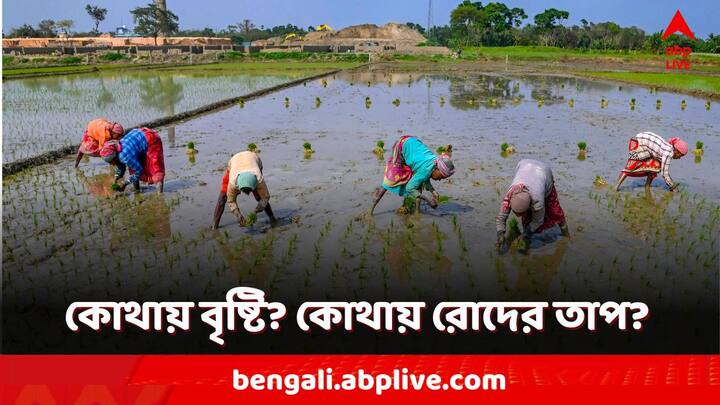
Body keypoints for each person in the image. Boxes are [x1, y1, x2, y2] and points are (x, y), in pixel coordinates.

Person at [496, 159, 569, 253]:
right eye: (516, 213)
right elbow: (501, 218)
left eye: (521, 213)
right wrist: (500, 235)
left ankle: (566, 234)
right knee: (526, 219)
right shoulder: (509, 195)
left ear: (530, 204)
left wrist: (524, 234)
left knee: (554, 210)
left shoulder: (537, 199)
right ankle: (527, 240)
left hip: (544, 172)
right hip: (524, 165)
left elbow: (538, 221)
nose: (518, 216)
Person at [370, 135, 455, 215]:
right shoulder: (425, 170)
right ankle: (369, 211)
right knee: (389, 181)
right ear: (436, 168)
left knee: (418, 182)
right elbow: (410, 188)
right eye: (441, 177)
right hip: (401, 146)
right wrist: (428, 201)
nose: (440, 180)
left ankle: (417, 211)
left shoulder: (434, 161)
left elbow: (424, 177)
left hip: (413, 143)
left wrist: (433, 192)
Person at [213, 150, 275, 229]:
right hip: (235, 162)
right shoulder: (232, 181)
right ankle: (214, 226)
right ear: (238, 186)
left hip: (253, 159)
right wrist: (238, 214)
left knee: (259, 196)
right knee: (222, 197)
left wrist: (256, 210)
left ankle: (272, 218)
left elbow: (265, 197)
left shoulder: (258, 178)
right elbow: (231, 200)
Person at [99, 127, 165, 193]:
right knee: (133, 168)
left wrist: (125, 183)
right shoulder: (116, 149)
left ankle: (160, 194)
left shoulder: (124, 156)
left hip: (151, 139)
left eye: (111, 162)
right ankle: (137, 189)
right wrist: (116, 177)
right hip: (139, 135)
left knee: (155, 166)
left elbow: (139, 171)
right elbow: (121, 166)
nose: (111, 164)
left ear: (115, 157)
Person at [615, 132, 688, 191]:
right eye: (680, 156)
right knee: (632, 164)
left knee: (656, 165)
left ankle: (647, 186)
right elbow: (664, 173)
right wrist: (673, 186)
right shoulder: (668, 153)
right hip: (637, 142)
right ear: (677, 151)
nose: (679, 158)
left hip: (644, 144)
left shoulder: (669, 147)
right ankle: (616, 187)